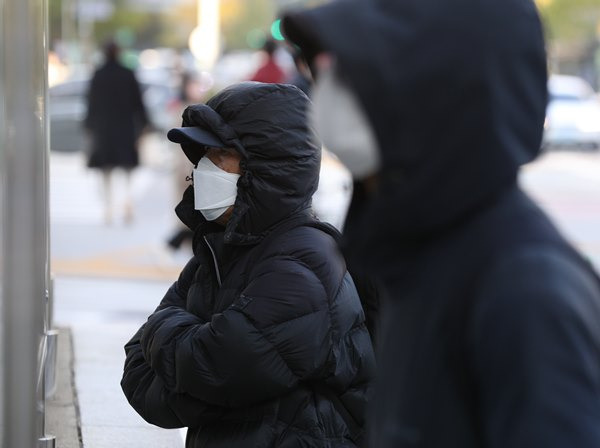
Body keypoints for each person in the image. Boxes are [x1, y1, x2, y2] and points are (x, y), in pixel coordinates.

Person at [282, 0, 600, 447]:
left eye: (358, 72)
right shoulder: (418, 253)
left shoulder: (524, 289)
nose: (327, 91)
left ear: (437, 91)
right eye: (328, 69)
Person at [120, 81, 375, 447]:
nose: (203, 168)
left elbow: (213, 367)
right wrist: (204, 376)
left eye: (220, 154)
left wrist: (164, 332)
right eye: (203, 154)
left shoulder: (301, 263)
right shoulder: (220, 251)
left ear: (265, 168)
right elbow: (139, 376)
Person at [84, 40, 149, 224]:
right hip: (125, 130)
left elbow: (90, 105)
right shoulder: (128, 74)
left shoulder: (98, 75)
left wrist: (89, 127)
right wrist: (144, 125)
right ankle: (127, 200)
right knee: (127, 169)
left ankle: (108, 207)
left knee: (105, 171)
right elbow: (139, 104)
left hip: (104, 131)